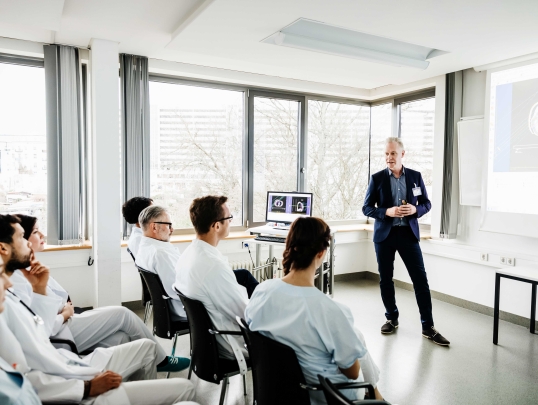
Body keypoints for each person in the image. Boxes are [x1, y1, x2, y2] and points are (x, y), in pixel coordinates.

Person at [0, 214, 198, 405]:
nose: (30, 240)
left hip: (68, 359)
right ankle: (157, 368)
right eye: (22, 236)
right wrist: (86, 387)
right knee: (123, 316)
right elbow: (30, 368)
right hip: (68, 363)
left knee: (123, 339)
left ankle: (144, 384)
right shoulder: (9, 296)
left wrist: (41, 290)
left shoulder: (18, 283)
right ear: (3, 248)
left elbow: (37, 333)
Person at [245, 217, 384, 405]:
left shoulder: (262, 291)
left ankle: (377, 395)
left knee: (355, 336)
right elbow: (352, 372)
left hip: (275, 391)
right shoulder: (330, 311)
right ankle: (377, 395)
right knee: (356, 339)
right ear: (321, 253)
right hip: (325, 395)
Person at [362, 137, 450, 346]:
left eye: (393, 153)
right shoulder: (377, 179)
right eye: (386, 154)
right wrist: (387, 212)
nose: (389, 158)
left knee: (420, 280)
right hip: (384, 236)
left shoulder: (415, 177)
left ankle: (428, 327)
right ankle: (391, 318)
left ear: (402, 154)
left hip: (408, 235)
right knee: (386, 279)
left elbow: (427, 204)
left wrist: (415, 210)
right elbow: (366, 208)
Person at [173, 195, 258, 371]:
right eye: (229, 218)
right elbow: (244, 316)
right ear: (216, 225)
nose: (231, 222)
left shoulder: (189, 253)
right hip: (231, 344)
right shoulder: (212, 266)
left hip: (209, 341)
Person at [135, 205, 186, 320]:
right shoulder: (160, 254)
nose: (172, 229)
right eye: (169, 225)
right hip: (183, 308)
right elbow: (177, 289)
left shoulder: (145, 248)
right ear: (154, 227)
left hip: (172, 305)